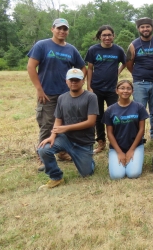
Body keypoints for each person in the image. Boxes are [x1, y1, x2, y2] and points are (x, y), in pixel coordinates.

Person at [27, 18, 86, 171]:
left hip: (66, 95)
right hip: (47, 94)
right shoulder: (42, 45)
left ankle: (62, 152)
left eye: (65, 29)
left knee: (66, 125)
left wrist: (79, 84)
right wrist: (39, 89)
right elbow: (31, 67)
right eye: (59, 28)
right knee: (47, 126)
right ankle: (43, 157)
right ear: (52, 29)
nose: (62, 31)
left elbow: (82, 68)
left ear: (68, 31)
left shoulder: (71, 49)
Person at [37, 69, 98, 190]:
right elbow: (58, 120)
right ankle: (56, 177)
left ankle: (89, 160)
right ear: (66, 81)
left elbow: (91, 122)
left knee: (86, 174)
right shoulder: (62, 98)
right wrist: (52, 136)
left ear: (83, 81)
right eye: (71, 80)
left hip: (83, 141)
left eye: (77, 80)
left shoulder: (91, 97)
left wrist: (66, 128)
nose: (74, 82)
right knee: (43, 149)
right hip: (66, 139)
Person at [84, 25, 126, 154]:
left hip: (113, 89)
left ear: (113, 36)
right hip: (96, 88)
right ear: (99, 37)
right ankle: (101, 142)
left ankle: (117, 141)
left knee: (115, 115)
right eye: (104, 35)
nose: (107, 37)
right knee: (98, 116)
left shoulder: (118, 50)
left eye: (109, 35)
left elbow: (125, 63)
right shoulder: (93, 50)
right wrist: (89, 86)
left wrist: (117, 73)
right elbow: (89, 68)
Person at [126, 17, 153, 139]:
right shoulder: (133, 45)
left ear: (152, 27)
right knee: (139, 111)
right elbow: (129, 63)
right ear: (138, 29)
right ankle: (139, 136)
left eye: (147, 26)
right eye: (142, 27)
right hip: (139, 83)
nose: (145, 29)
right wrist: (138, 74)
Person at [102, 80, 148, 179]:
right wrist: (119, 152)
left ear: (132, 91)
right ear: (116, 91)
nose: (125, 91)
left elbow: (141, 130)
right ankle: (116, 160)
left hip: (135, 146)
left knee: (133, 174)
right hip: (117, 147)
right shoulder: (110, 110)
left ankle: (133, 160)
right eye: (122, 88)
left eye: (128, 88)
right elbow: (109, 133)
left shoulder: (139, 107)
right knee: (117, 176)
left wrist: (131, 150)